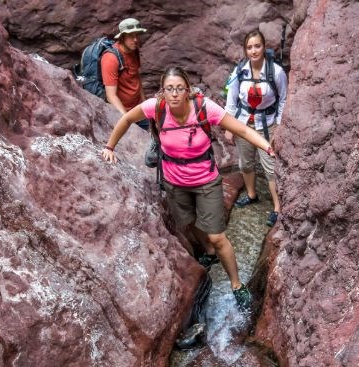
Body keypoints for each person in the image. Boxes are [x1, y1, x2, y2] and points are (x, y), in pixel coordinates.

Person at [101, 66, 276, 311]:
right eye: (169, 89)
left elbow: (242, 129)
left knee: (217, 236)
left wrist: (266, 146)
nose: (174, 94)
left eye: (179, 89)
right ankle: (207, 252)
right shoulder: (156, 107)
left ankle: (236, 284)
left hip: (205, 181)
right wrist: (110, 147)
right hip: (175, 183)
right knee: (189, 221)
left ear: (187, 91)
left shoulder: (204, 108)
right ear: (163, 92)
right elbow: (128, 118)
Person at [224, 29, 287, 227]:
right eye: (249, 47)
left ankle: (277, 207)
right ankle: (252, 195)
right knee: (246, 163)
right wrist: (229, 125)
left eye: (257, 46)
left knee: (269, 167)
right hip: (244, 124)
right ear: (245, 50)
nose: (253, 51)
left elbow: (283, 99)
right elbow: (231, 99)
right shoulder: (240, 71)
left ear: (264, 47)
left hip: (266, 125)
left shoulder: (275, 72)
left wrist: (279, 124)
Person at [101, 18, 149, 130]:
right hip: (123, 112)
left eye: (137, 35)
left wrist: (145, 104)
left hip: (138, 109)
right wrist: (127, 120)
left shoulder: (134, 51)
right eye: (131, 36)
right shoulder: (111, 58)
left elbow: (136, 78)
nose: (136, 39)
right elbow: (111, 96)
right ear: (122, 37)